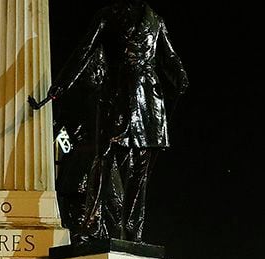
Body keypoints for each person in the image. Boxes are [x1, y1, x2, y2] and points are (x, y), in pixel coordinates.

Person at [29, 0, 188, 243]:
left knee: (132, 170)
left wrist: (179, 74)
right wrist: (56, 91)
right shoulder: (116, 16)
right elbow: (84, 53)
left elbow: (169, 57)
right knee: (108, 164)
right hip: (127, 97)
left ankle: (127, 232)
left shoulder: (151, 18)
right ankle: (100, 227)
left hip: (142, 101)